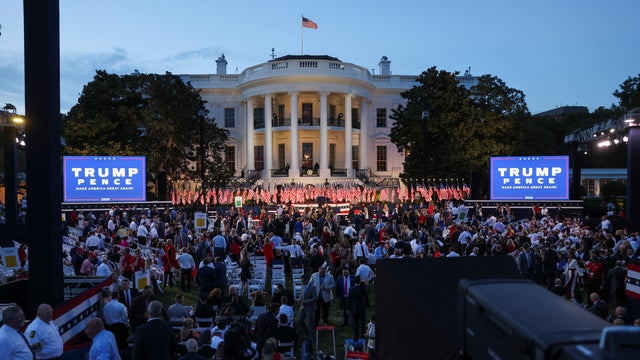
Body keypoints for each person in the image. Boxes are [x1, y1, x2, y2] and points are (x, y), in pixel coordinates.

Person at [348, 276, 369, 340]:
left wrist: (348, 308)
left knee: (355, 322)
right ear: (360, 281)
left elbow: (349, 300)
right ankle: (362, 335)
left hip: (354, 308)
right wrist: (367, 284)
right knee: (362, 322)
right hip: (361, 308)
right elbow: (367, 292)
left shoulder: (351, 289)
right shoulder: (362, 288)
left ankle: (356, 336)